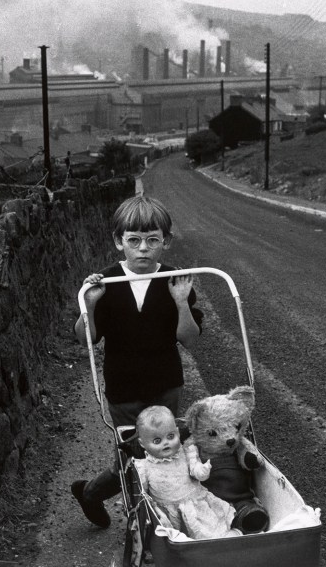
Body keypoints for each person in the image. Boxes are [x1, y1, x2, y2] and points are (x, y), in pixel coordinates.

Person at [71, 194, 203, 528]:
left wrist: (181, 303)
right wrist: (91, 303)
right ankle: (97, 495)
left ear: (166, 242)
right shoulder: (105, 281)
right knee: (134, 455)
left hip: (166, 384)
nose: (143, 248)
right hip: (124, 387)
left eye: (152, 240)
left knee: (168, 452)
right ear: (119, 242)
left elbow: (189, 338)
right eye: (134, 240)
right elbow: (85, 337)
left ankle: (165, 519)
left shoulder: (176, 280)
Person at [133, 406, 240, 539]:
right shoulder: (144, 467)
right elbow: (144, 493)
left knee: (209, 529)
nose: (166, 443)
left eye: (170, 436)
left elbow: (196, 472)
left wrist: (202, 470)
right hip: (169, 510)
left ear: (178, 433)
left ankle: (222, 539)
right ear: (142, 444)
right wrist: (155, 510)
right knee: (171, 536)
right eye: (157, 441)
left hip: (194, 504)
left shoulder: (186, 452)